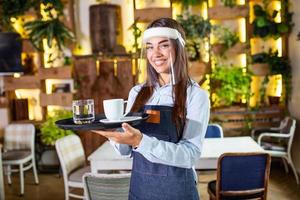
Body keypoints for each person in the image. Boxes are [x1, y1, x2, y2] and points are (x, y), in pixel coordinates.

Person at [93, 18, 210, 200]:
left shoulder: (195, 95)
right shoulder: (137, 92)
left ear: (179, 48)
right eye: (149, 47)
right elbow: (127, 152)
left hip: (177, 190)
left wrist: (141, 141)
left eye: (163, 45)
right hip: (141, 188)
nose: (155, 53)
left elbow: (189, 155)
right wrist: (114, 133)